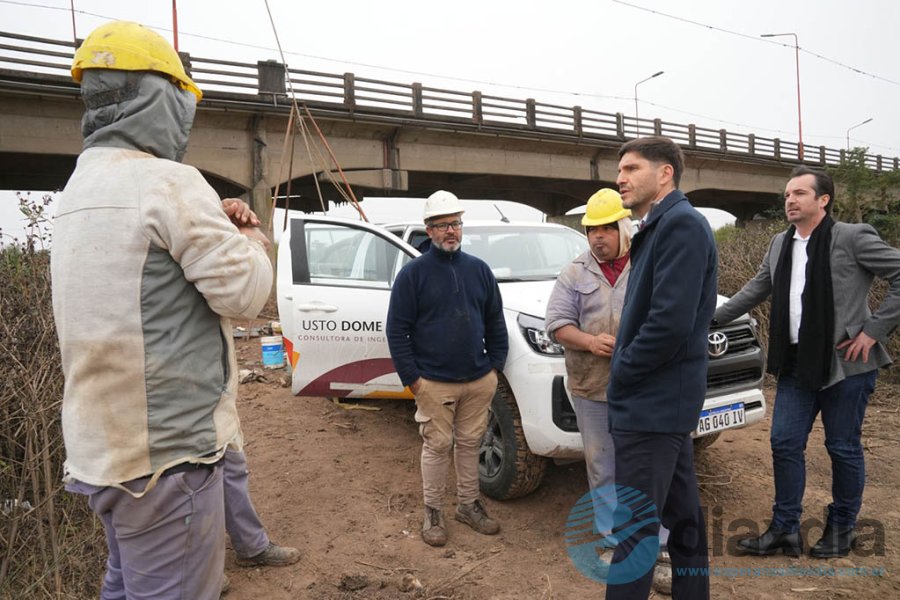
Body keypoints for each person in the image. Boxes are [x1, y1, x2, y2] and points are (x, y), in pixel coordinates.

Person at [52, 21, 272, 599]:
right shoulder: (168, 181)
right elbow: (246, 295)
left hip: (105, 453)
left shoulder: (78, 188)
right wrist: (251, 240)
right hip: (167, 463)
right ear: (165, 99)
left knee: (124, 586)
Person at [714, 165, 900, 558]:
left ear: (823, 199)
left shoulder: (852, 237)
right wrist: (709, 318)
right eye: (786, 195)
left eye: (799, 193)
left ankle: (843, 527)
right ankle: (784, 529)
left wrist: (873, 331)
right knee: (783, 443)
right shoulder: (781, 244)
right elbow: (757, 288)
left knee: (842, 447)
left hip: (844, 363)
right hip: (796, 363)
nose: (790, 200)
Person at [544, 188, 672, 594]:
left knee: (650, 467)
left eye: (604, 229)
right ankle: (613, 541)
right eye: (590, 230)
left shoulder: (648, 262)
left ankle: (661, 544)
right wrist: (587, 341)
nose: (597, 237)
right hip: (591, 385)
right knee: (603, 466)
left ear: (623, 226)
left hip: (643, 389)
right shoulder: (574, 272)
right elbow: (556, 324)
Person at [605, 137, 714, 599]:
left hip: (652, 403)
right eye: (619, 170)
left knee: (634, 533)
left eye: (631, 168)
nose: (620, 178)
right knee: (683, 521)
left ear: (664, 173)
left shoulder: (681, 226)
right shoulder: (661, 224)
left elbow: (669, 323)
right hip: (661, 403)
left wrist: (623, 371)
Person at [386, 190, 509, 547]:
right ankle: (433, 511)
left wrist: (494, 368)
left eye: (455, 223)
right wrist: (413, 379)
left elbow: (494, 321)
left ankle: (469, 505)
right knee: (438, 445)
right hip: (433, 382)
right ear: (429, 230)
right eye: (441, 225)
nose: (450, 231)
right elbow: (397, 330)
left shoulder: (479, 270)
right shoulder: (413, 275)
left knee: (471, 442)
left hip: (478, 378)